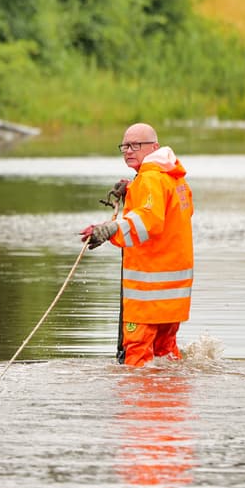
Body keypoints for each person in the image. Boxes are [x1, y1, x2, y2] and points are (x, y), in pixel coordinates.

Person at [80, 122, 194, 366]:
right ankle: (170, 403)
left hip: (146, 297)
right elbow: (171, 213)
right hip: (172, 297)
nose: (128, 151)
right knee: (166, 357)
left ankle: (138, 405)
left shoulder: (149, 179)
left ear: (154, 146)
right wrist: (132, 189)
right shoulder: (173, 178)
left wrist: (110, 230)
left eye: (135, 145)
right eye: (124, 146)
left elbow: (149, 221)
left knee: (136, 361)